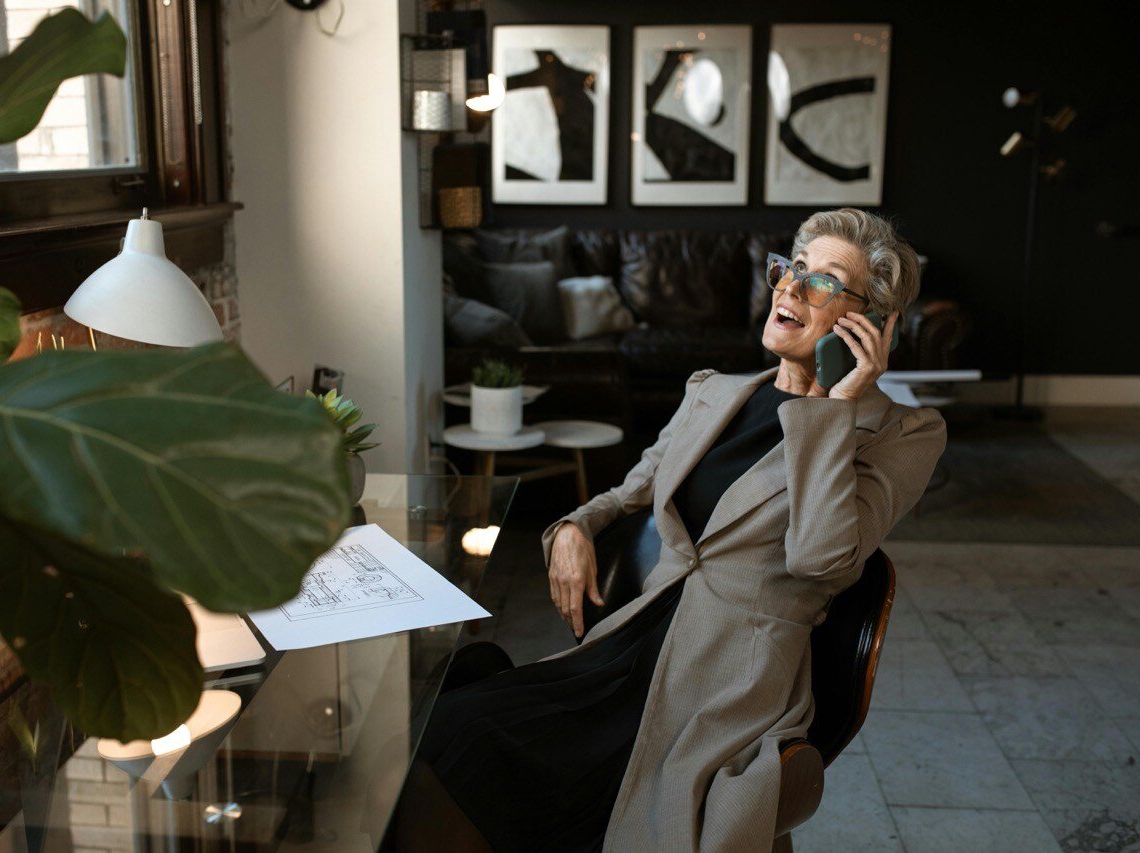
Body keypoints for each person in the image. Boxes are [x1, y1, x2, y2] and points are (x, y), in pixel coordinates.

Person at [405, 209, 947, 852]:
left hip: (725, 687)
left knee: (475, 749)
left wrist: (832, 409)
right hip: (628, 651)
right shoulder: (711, 393)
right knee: (441, 731)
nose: (790, 290)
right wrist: (573, 529)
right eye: (791, 269)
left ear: (874, 324)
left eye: (823, 281)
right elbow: (624, 493)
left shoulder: (904, 434)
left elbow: (820, 562)